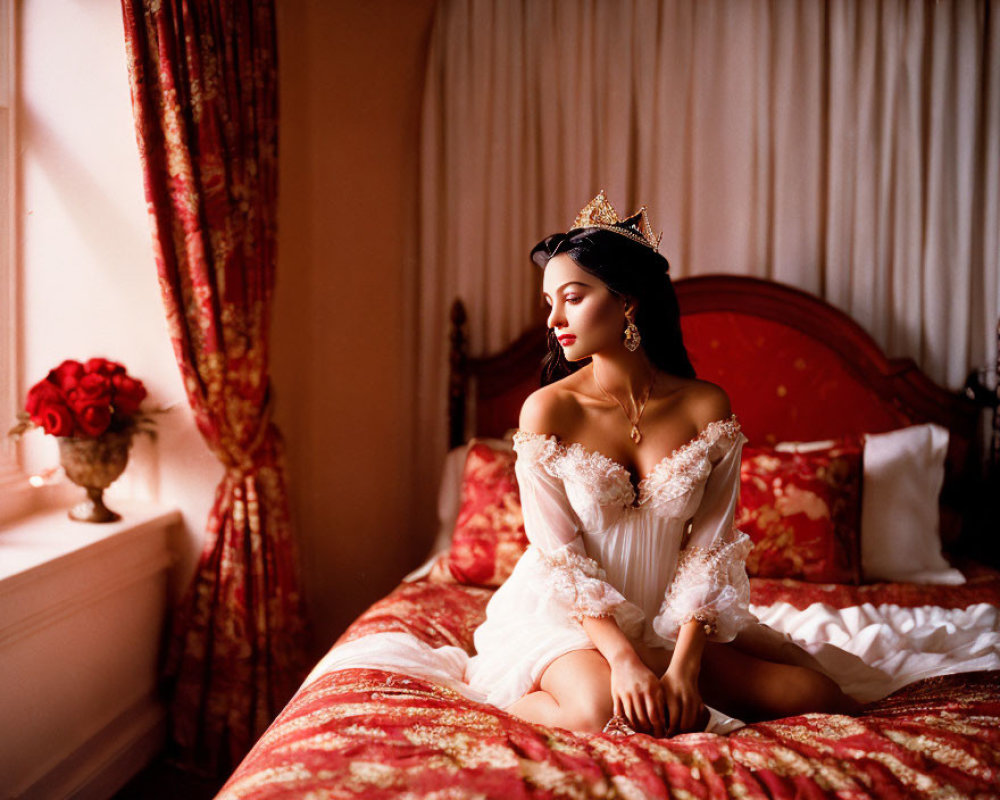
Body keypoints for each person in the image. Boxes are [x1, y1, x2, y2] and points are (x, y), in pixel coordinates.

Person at [464, 190, 860, 737]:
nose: (554, 317)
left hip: (675, 622)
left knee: (820, 696)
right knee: (599, 713)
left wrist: (684, 668)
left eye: (572, 297)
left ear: (628, 302)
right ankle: (534, 693)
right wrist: (623, 660)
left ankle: (656, 677)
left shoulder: (705, 407)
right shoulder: (548, 409)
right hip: (574, 621)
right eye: (548, 301)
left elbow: (711, 550)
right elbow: (560, 558)